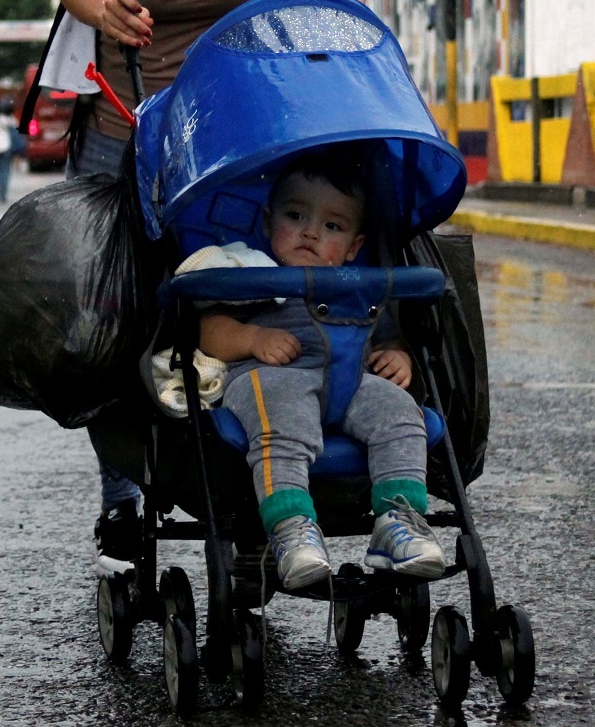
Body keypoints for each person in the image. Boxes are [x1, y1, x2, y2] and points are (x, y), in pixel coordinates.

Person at [48, 0, 351, 565]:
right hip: (123, 124)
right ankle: (122, 485)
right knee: (106, 316)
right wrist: (100, 5)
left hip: (242, 134)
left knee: (253, 295)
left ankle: (263, 465)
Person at [183, 150, 444, 589]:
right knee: (282, 421)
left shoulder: (357, 288)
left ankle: (399, 522)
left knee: (402, 412)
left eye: (332, 226)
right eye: (295, 215)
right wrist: (252, 339)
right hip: (269, 382)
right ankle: (291, 529)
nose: (310, 232)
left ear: (354, 247)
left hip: (349, 383)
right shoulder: (249, 271)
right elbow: (207, 332)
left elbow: (386, 335)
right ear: (268, 222)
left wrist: (398, 355)